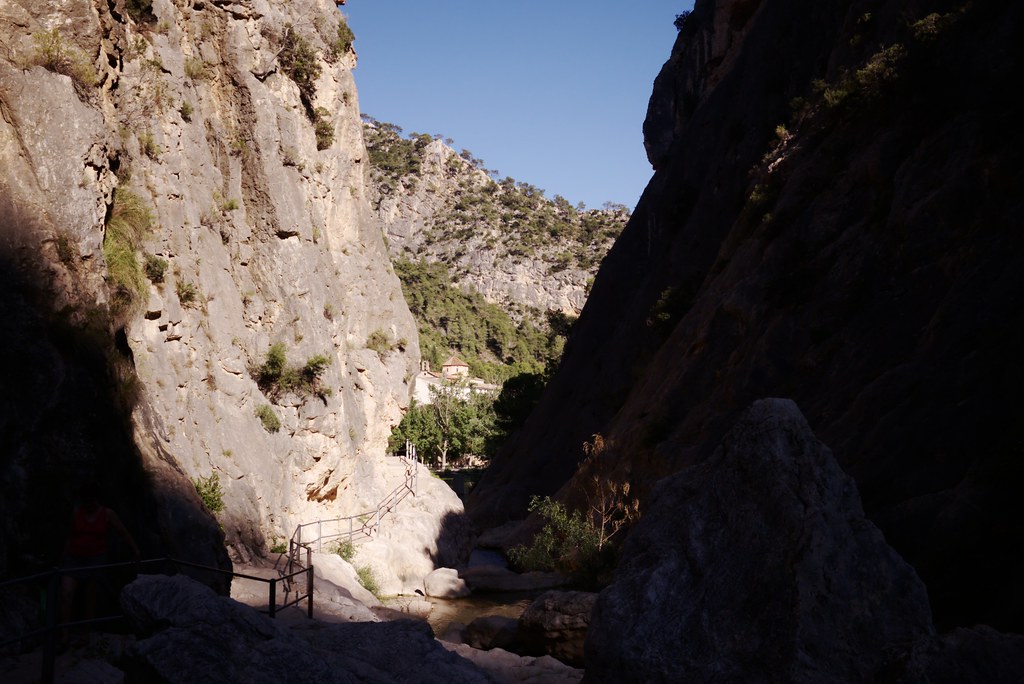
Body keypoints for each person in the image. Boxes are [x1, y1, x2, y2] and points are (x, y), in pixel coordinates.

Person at [60, 483, 140, 644]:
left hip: (95, 559)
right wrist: (62, 558)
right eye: (86, 501)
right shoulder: (77, 512)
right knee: (66, 593)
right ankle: (63, 634)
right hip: (74, 558)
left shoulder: (107, 514)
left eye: (92, 501)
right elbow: (69, 536)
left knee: (89, 597)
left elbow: (123, 531)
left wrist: (135, 550)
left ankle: (85, 633)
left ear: (97, 500)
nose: (89, 505)